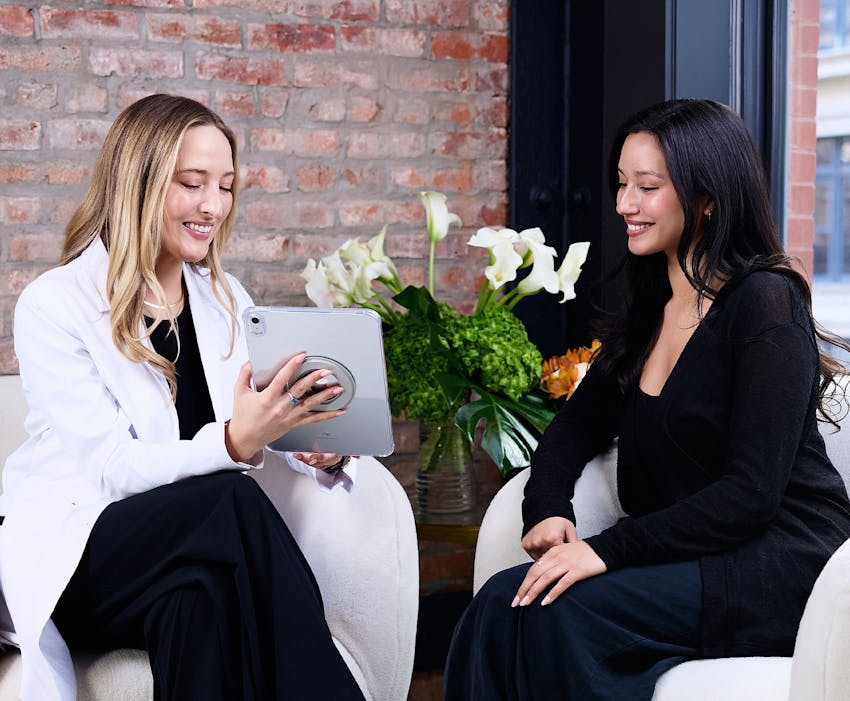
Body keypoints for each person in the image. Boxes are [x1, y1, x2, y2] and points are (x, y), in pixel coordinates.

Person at [444, 98, 850, 700]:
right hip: (692, 559)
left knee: (555, 611)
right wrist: (548, 510)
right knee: (499, 604)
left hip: (778, 566)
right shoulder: (651, 313)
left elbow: (751, 495)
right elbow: (573, 428)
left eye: (646, 187)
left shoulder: (767, 303)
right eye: (621, 184)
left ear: (707, 197)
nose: (623, 204)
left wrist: (605, 553)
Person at [0, 94, 367, 701]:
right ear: (136, 184)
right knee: (226, 499)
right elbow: (112, 470)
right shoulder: (54, 304)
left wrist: (306, 445)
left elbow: (248, 433)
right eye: (192, 184)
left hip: (186, 555)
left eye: (225, 186)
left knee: (198, 598)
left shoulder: (227, 299)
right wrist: (235, 442)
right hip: (77, 556)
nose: (213, 206)